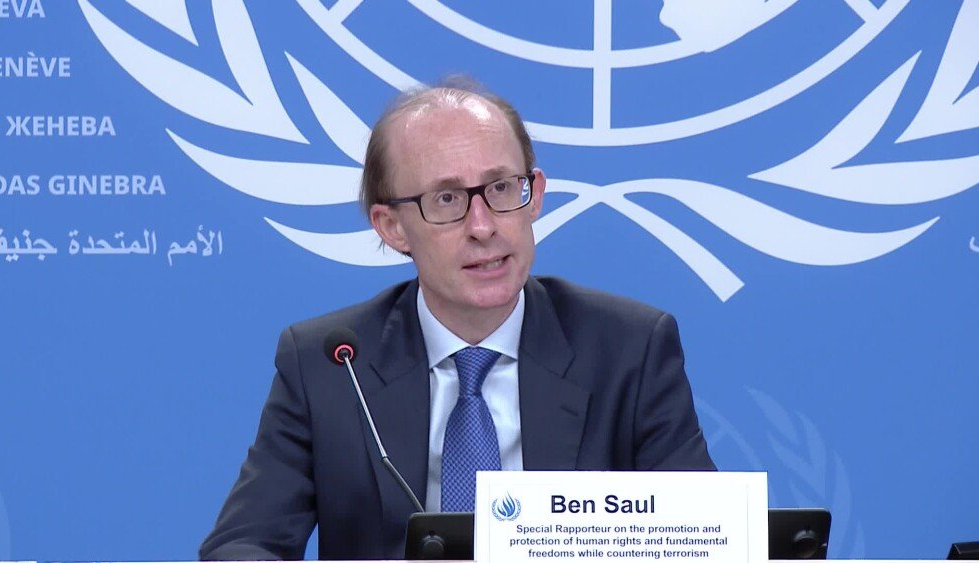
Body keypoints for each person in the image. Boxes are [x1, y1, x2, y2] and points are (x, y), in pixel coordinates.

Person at [199, 78, 715, 561]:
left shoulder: (629, 349)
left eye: (501, 189)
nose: (483, 226)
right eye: (446, 199)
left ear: (533, 193)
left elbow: (706, 540)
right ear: (392, 227)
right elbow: (241, 547)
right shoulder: (331, 366)